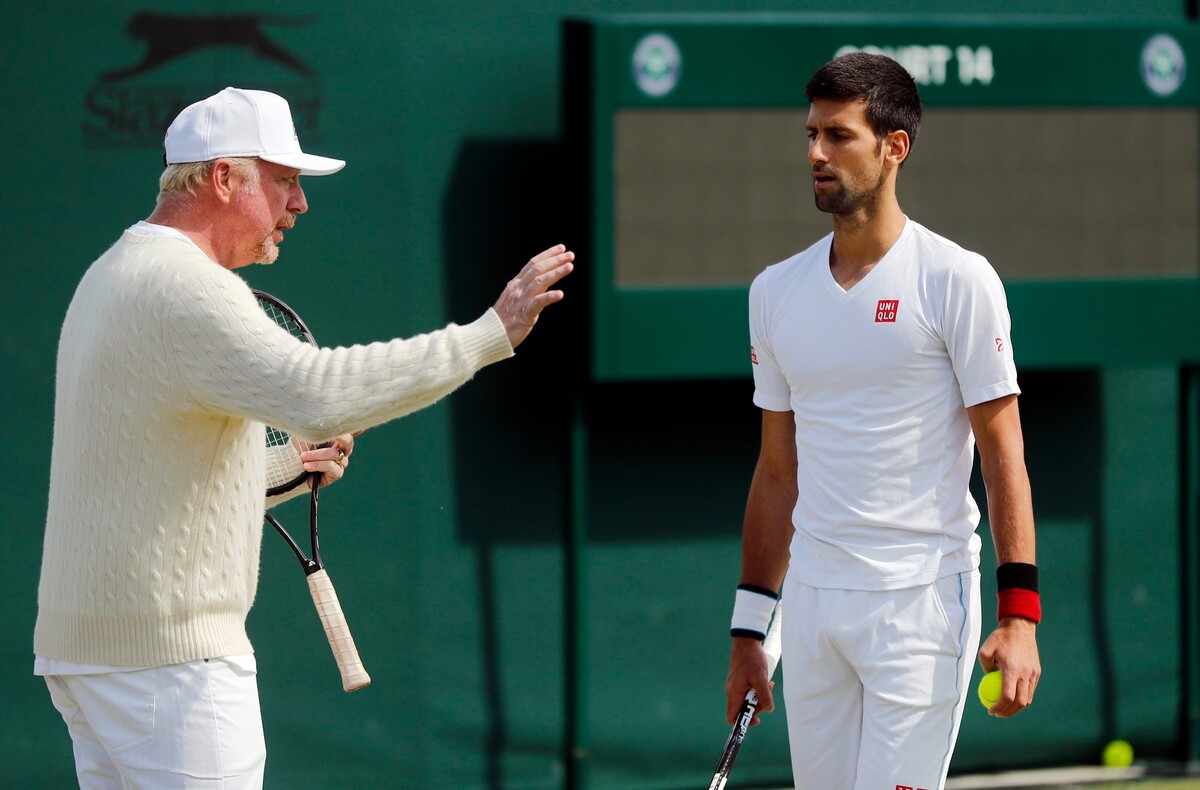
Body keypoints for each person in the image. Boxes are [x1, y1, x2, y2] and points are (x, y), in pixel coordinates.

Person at [34, 86, 574, 789]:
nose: (300, 204)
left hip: (92, 660)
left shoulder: (111, 274)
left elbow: (141, 480)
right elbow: (317, 394)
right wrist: (485, 336)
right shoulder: (188, 288)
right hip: (169, 673)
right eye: (285, 181)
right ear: (225, 178)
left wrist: (285, 465)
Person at [723, 53, 1040, 790]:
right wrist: (749, 631)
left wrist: (1019, 615)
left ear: (894, 148)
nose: (815, 154)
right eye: (810, 135)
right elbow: (777, 472)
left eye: (838, 136)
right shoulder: (774, 293)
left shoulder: (958, 280)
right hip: (812, 607)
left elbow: (1003, 454)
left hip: (921, 605)